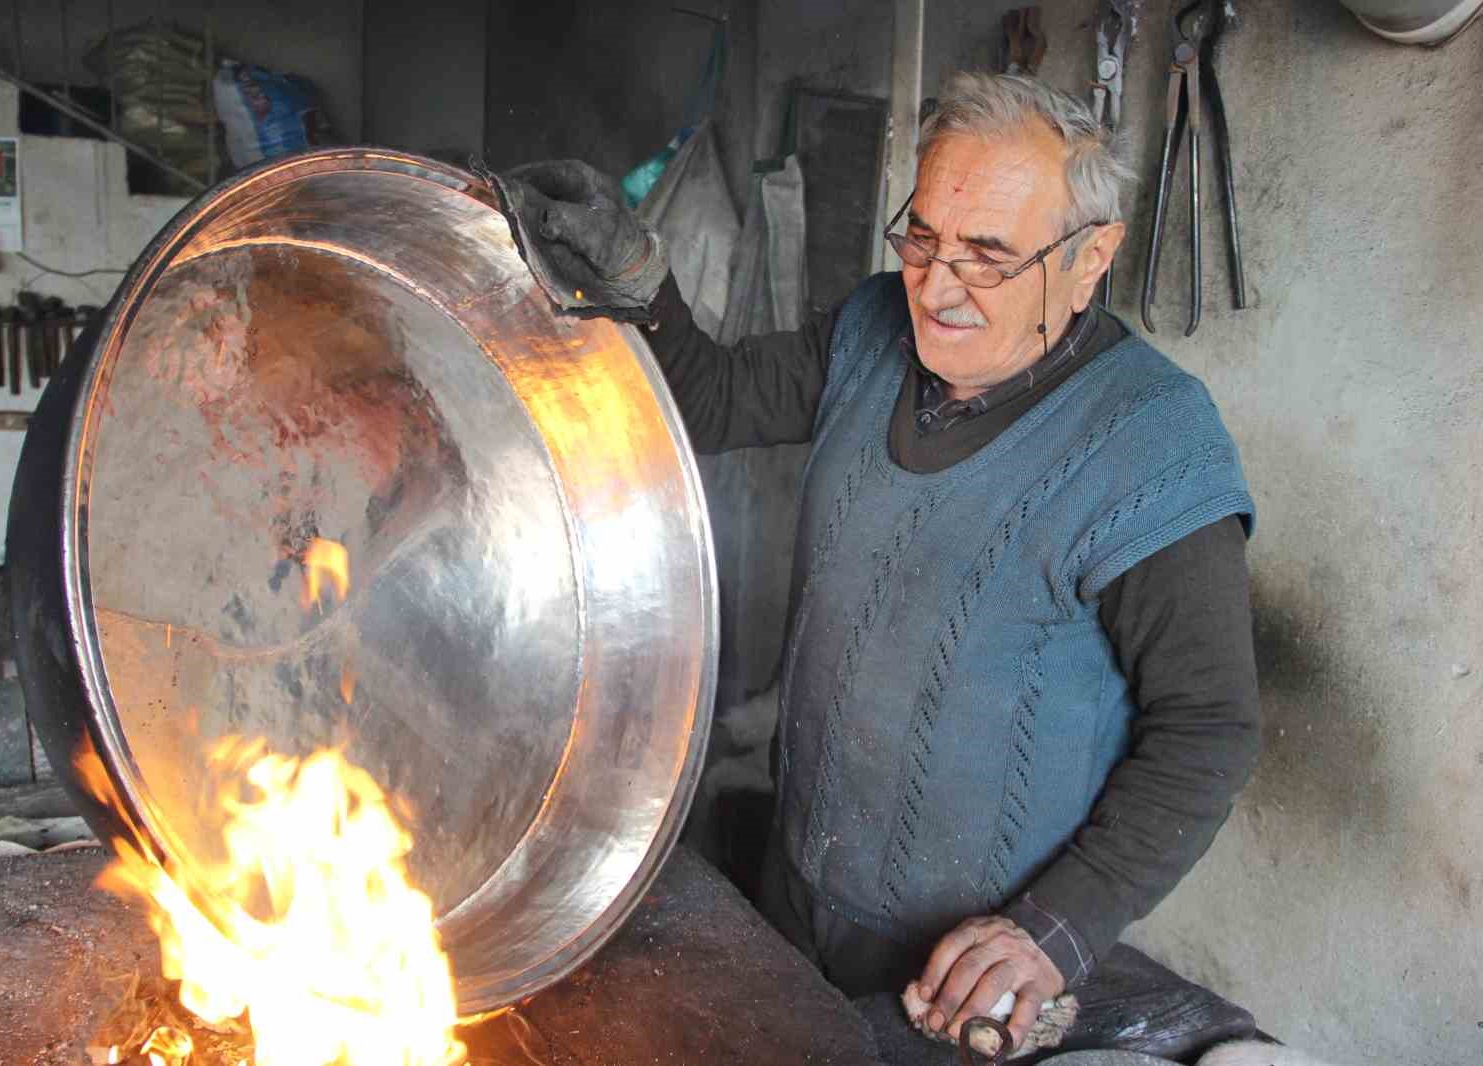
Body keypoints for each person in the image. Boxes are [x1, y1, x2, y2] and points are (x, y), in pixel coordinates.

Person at [503, 72, 1260, 1049]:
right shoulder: (871, 330)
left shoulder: (1149, 444)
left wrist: (1052, 933)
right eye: (923, 239)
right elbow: (717, 397)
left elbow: (1208, 728)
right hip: (798, 888)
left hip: (955, 978)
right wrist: (639, 282)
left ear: (1088, 261)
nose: (936, 288)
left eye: (985, 257)